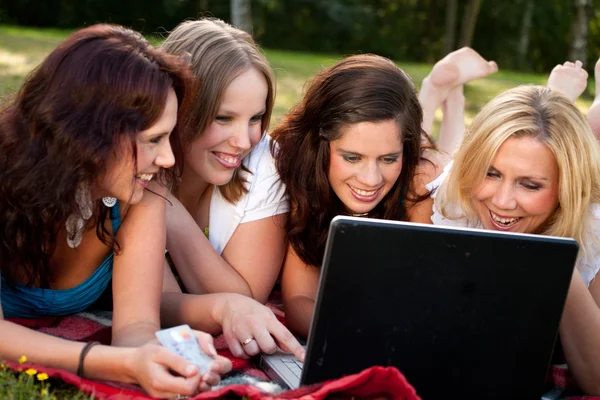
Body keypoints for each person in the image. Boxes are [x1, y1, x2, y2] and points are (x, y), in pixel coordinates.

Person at [0, 24, 231, 398]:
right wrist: (114, 363)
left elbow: (136, 326)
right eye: (153, 140)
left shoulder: (141, 197)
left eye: (167, 138)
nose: (168, 158)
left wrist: (166, 357)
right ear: (86, 134)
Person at [430, 85, 600, 395]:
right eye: (491, 173)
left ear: (567, 190)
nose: (503, 201)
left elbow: (597, 381)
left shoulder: (594, 232)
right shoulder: (453, 199)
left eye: (530, 185)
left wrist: (559, 266)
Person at [156, 18, 305, 362]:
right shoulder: (139, 161)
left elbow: (247, 299)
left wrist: (171, 213)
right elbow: (151, 302)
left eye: (255, 118)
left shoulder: (263, 163)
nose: (243, 141)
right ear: (178, 108)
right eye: (223, 118)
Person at [270, 54, 440, 338]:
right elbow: (299, 300)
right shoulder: (299, 169)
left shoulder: (420, 179)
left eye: (388, 159)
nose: (370, 179)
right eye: (352, 157)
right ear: (320, 146)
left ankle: (438, 92)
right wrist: (355, 335)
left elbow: (424, 296)